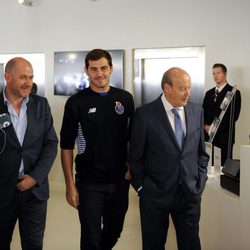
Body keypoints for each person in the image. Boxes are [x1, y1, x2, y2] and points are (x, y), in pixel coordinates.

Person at [60, 49, 134, 250]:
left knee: (114, 232)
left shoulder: (125, 99)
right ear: (86, 71)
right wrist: (70, 185)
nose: (99, 73)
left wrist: (130, 168)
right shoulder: (76, 103)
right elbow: (66, 147)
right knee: (91, 239)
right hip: (89, 183)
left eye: (103, 68)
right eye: (94, 69)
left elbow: (132, 139)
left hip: (119, 182)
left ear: (111, 68)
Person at [129, 67, 209, 250]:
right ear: (167, 88)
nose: (188, 93)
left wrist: (200, 181)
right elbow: (135, 157)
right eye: (182, 89)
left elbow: (201, 153)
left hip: (189, 194)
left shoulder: (197, 111)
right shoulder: (144, 114)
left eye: (189, 88)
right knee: (153, 245)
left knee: (191, 245)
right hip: (155, 196)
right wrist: (142, 188)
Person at [0, 57, 58, 250]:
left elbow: (51, 143)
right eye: (22, 77)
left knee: (33, 245)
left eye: (31, 77)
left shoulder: (41, 104)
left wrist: (35, 177)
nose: (28, 82)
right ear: (7, 77)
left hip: (34, 192)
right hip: (2, 190)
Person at [202, 63, 241, 166]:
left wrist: (214, 128)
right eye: (213, 73)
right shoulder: (209, 93)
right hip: (208, 137)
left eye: (218, 73)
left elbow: (233, 117)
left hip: (224, 138)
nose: (215, 76)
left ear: (225, 74)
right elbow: (203, 112)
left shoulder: (233, 93)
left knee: (222, 169)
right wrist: (206, 126)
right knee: (208, 168)